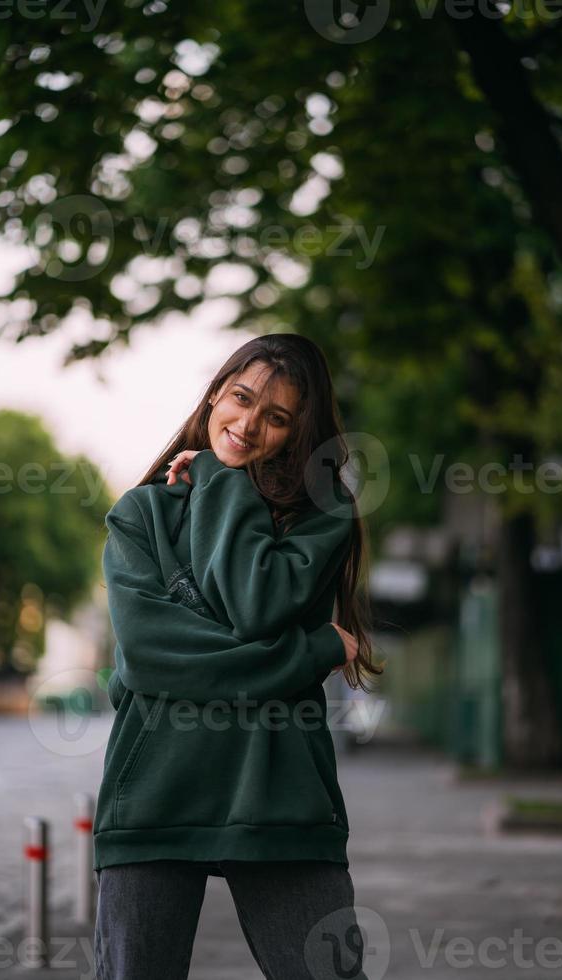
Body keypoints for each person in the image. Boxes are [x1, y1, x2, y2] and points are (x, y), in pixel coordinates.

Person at [92, 334, 383, 979]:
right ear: (215, 395)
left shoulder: (321, 517)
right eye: (241, 399)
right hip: (156, 793)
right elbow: (150, 659)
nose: (249, 425)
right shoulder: (141, 515)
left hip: (280, 793)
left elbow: (255, 603)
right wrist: (308, 651)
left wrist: (221, 483)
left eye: (277, 418)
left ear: (298, 434)